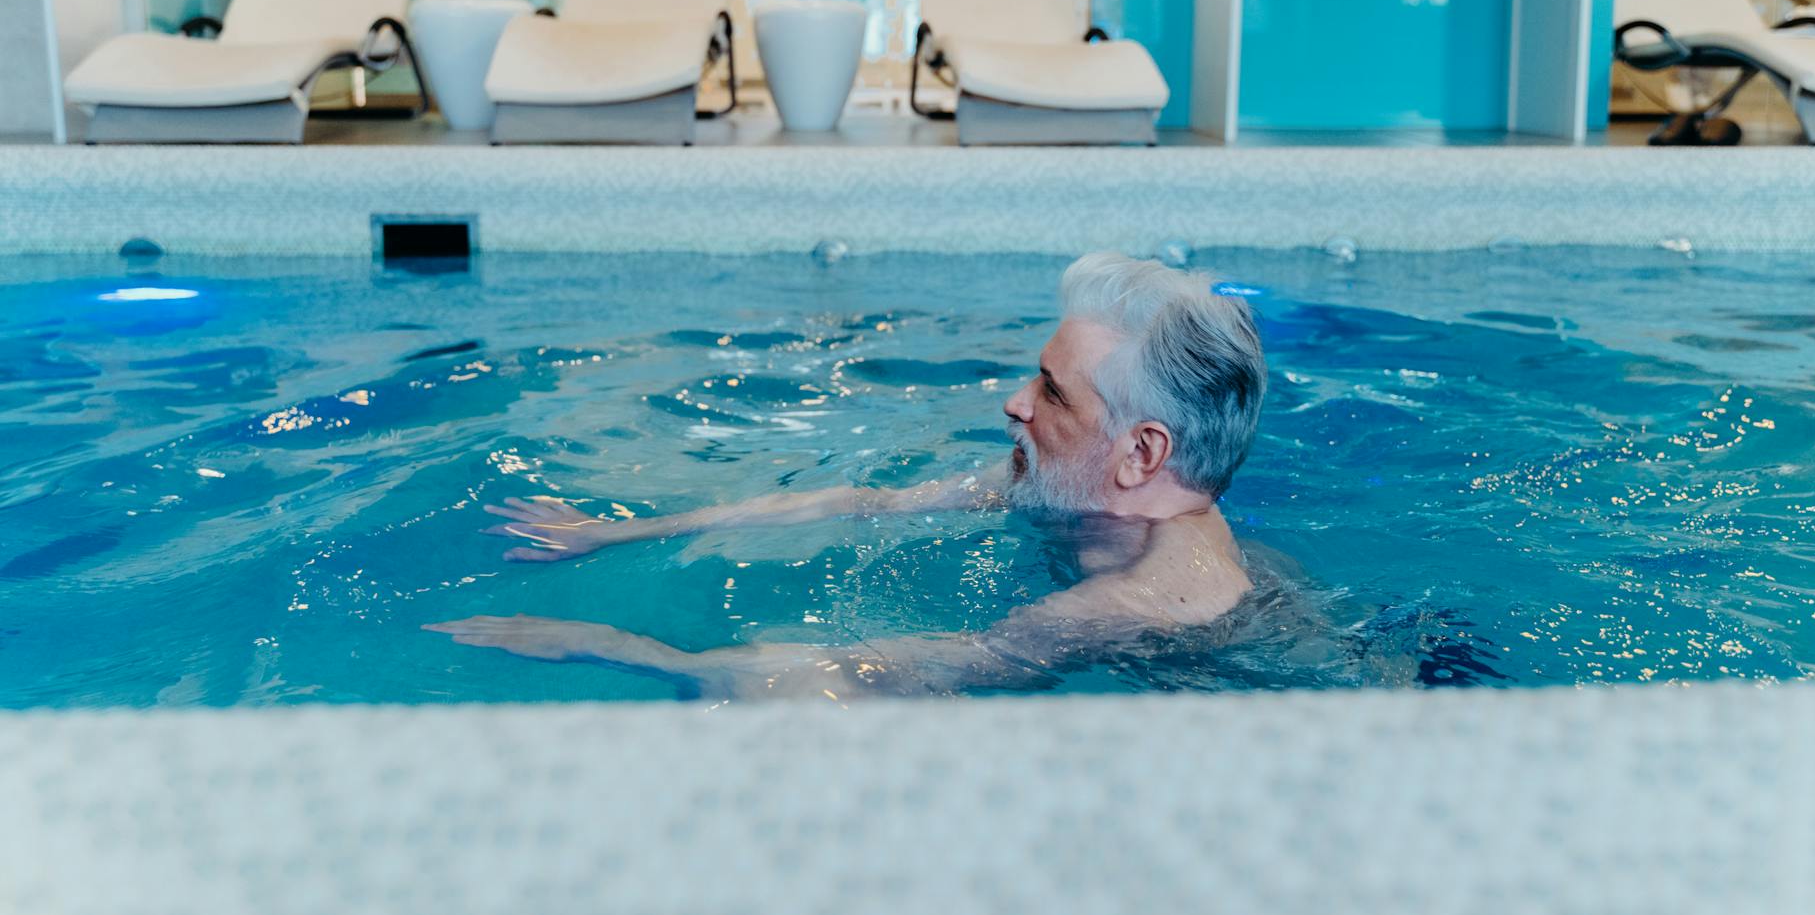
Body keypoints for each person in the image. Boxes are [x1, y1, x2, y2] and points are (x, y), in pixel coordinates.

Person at [426, 251, 1270, 700]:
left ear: (1142, 455)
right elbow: (868, 502)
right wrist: (623, 531)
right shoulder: (1070, 482)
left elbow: (872, 672)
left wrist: (618, 648)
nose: (1015, 403)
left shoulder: (1147, 601)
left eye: (1051, 391)